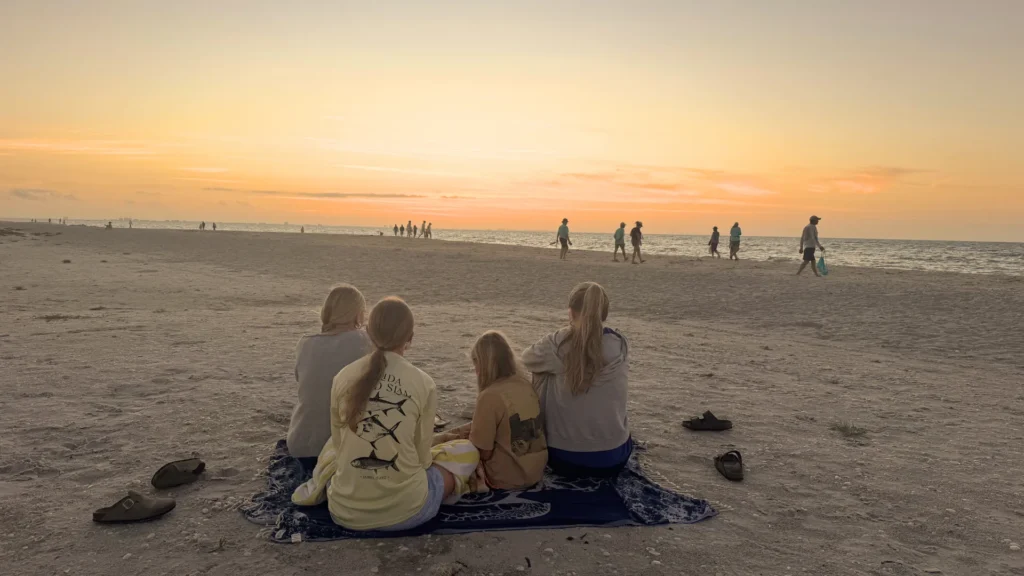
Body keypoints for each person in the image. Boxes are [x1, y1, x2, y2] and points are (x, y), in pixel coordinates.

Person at [325, 297, 454, 530]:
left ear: (368, 333)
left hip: (343, 511)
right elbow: (423, 458)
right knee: (456, 466)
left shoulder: (343, 376)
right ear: (410, 338)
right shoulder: (424, 382)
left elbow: (338, 443)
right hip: (407, 512)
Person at [522, 282, 631, 477]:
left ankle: (542, 433)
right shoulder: (619, 343)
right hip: (615, 457)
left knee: (542, 371)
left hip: (563, 458)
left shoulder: (558, 342)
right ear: (603, 314)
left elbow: (527, 359)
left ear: (570, 312)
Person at [434, 332, 547, 490]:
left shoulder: (490, 396)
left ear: (485, 364)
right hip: (534, 472)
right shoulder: (525, 384)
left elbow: (482, 452)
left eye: (476, 365)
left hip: (507, 478)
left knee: (446, 453)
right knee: (467, 431)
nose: (476, 372)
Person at [286, 284, 373, 460]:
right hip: (335, 447)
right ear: (358, 313)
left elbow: (306, 384)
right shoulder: (364, 341)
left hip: (299, 443)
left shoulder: (305, 344)